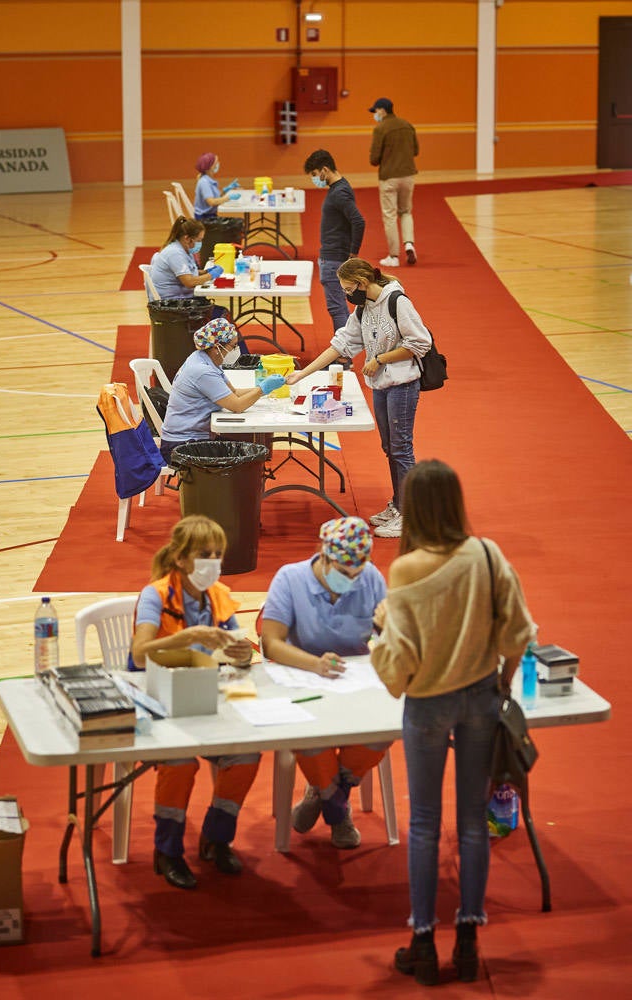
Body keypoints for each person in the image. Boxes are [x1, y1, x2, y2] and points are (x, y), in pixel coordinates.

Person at [370, 460, 534, 986]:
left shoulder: (404, 570)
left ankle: (423, 941)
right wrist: (502, 681)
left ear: (413, 507)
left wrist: (380, 631)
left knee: (423, 822)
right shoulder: (486, 555)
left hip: (426, 704)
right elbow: (518, 632)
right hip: (481, 697)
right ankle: (468, 938)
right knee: (472, 823)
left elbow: (397, 667)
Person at [130, 515, 259, 889]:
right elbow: (139, 654)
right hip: (158, 701)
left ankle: (217, 838)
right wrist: (185, 637)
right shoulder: (155, 594)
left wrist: (241, 653)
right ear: (181, 558)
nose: (213, 563)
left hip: (206, 699)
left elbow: (235, 651)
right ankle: (167, 851)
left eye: (218, 555)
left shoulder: (218, 594)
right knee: (180, 762)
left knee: (246, 755)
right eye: (205, 555)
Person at [261, 517, 388, 849]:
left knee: (385, 729)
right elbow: (271, 643)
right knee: (309, 736)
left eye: (357, 573)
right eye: (345, 573)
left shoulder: (371, 578)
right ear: (324, 555)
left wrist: (390, 629)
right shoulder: (290, 579)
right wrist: (314, 664)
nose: (352, 580)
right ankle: (337, 811)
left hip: (356, 685)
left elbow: (388, 640)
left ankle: (325, 794)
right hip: (303, 682)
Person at [286, 258, 431, 538]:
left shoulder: (398, 302)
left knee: (401, 448)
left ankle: (410, 515)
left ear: (363, 283)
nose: (346, 295)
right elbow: (339, 344)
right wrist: (302, 373)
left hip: (403, 385)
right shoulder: (363, 308)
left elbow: (420, 343)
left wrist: (380, 359)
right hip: (381, 385)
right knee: (390, 448)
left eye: (348, 289)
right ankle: (399, 504)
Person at [159, 317, 285, 465]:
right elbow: (237, 406)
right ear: (217, 347)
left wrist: (265, 388)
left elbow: (234, 393)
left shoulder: (206, 359)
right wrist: (263, 389)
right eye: (233, 346)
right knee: (249, 459)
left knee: (249, 450)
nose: (236, 350)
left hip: (194, 437)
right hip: (182, 446)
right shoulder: (202, 371)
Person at [303, 149, 365, 332]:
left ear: (324, 169)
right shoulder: (340, 187)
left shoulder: (339, 193)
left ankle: (344, 349)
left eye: (314, 174)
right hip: (334, 255)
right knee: (340, 306)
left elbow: (358, 221)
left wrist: (353, 253)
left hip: (333, 258)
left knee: (336, 308)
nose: (314, 179)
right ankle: (347, 346)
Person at [368, 98, 419, 267]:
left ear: (382, 110)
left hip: (389, 177)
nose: (375, 114)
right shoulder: (407, 125)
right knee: (406, 212)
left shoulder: (380, 128)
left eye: (376, 111)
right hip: (408, 175)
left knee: (390, 215)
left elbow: (374, 159)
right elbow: (416, 150)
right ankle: (409, 244)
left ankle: (394, 256)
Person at [150, 216, 224, 300]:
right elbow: (189, 282)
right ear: (187, 238)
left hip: (181, 298)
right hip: (173, 303)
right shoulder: (175, 253)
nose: (200, 243)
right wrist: (211, 275)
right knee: (220, 309)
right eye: (198, 240)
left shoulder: (185, 249)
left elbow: (187, 271)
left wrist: (205, 272)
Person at [193, 152, 241, 222]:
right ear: (209, 166)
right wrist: (228, 197)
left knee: (236, 222)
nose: (218, 164)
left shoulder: (208, 179)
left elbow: (215, 198)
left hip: (210, 216)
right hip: (204, 219)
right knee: (237, 223)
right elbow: (211, 202)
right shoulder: (204, 182)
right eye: (216, 163)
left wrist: (226, 189)